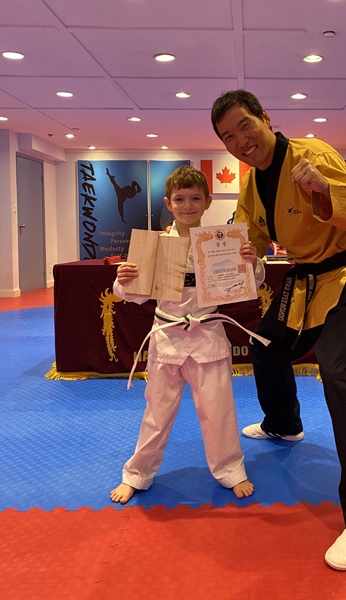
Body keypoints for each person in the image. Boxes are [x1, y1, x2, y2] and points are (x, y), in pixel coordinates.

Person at [211, 90, 346, 571]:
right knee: (265, 346)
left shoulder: (312, 154)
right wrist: (236, 254)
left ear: (265, 118)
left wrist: (324, 188)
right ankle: (284, 423)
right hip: (305, 279)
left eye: (244, 125)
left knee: (341, 376)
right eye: (227, 136)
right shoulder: (251, 184)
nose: (240, 140)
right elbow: (249, 236)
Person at [110, 165, 264, 504]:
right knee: (157, 412)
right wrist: (124, 279)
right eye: (180, 199)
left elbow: (251, 283)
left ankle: (230, 469)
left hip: (208, 336)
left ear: (208, 202)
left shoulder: (222, 242)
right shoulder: (155, 244)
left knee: (218, 411)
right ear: (168, 202)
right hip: (167, 338)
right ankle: (137, 473)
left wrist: (251, 262)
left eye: (195, 198)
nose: (187, 205)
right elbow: (134, 295)